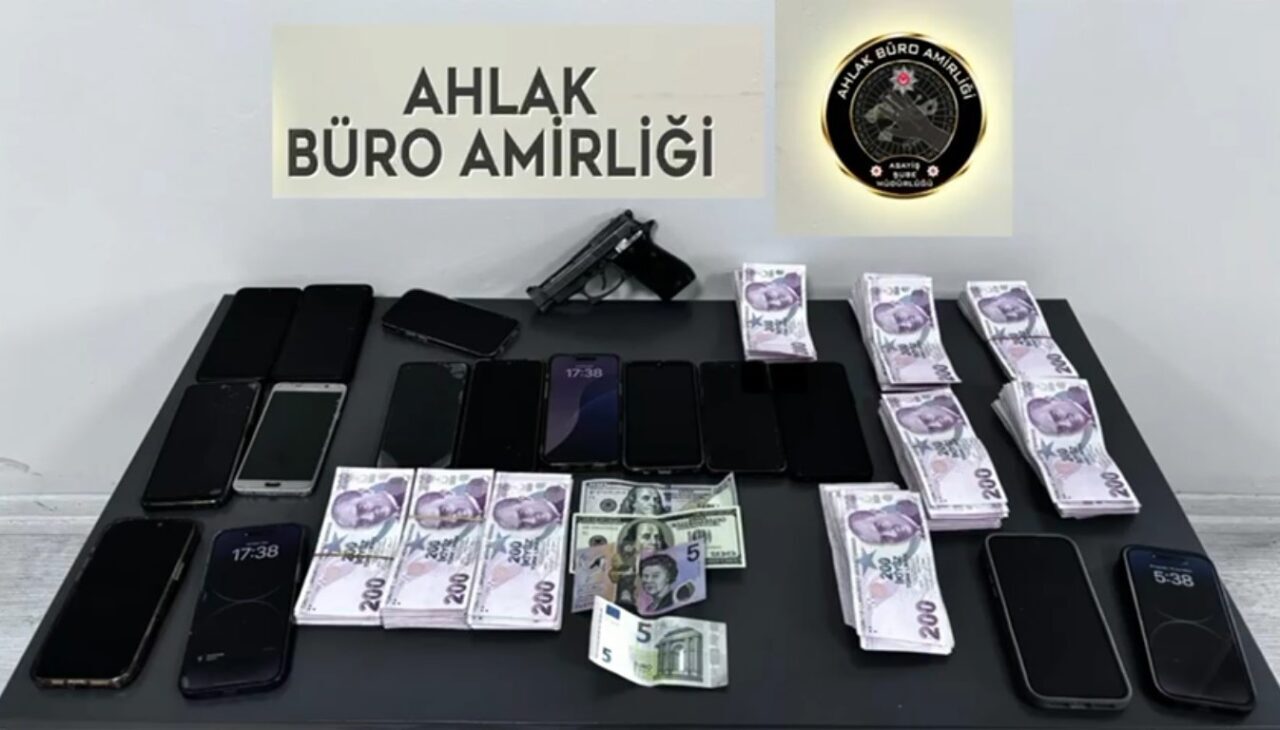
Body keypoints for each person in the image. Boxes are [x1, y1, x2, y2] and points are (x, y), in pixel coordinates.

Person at [331, 475, 409, 529]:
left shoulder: (401, 483)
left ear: (365, 491)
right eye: (362, 523)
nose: (371, 517)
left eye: (362, 508)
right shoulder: (403, 523)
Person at [413, 477, 488, 529]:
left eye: (444, 511)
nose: (453, 520)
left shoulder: (483, 487)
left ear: (447, 493)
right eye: (444, 524)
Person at [491, 484, 567, 530]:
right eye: (523, 525)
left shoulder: (562, 493)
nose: (533, 521)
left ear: (525, 499)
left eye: (523, 514)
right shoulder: (561, 524)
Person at [847, 500, 923, 545]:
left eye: (881, 527)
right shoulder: (919, 538)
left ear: (878, 512)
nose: (893, 534)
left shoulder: (913, 506)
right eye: (885, 539)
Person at [1026, 387, 1094, 437]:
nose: (1068, 424)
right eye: (1061, 429)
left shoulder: (1086, 392)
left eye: (1056, 416)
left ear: (1053, 399)